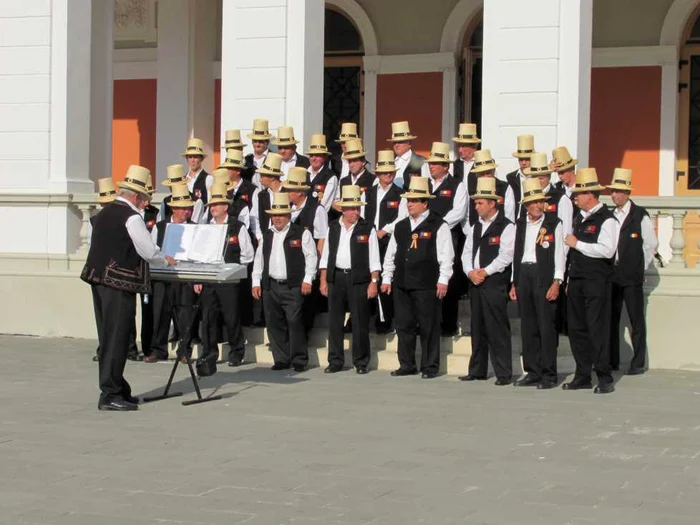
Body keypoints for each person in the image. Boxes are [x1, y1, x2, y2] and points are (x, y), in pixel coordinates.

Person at [81, 165, 176, 411]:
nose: (146, 204)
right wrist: (165, 259)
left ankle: (118, 387)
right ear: (136, 196)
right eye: (145, 199)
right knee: (118, 337)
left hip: (98, 280)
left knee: (108, 336)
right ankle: (110, 393)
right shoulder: (131, 217)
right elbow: (147, 250)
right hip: (118, 283)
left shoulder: (103, 214)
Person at [381, 177, 454, 379]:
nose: (410, 204)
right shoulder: (401, 225)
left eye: (414, 200)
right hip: (403, 282)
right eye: (408, 200)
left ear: (425, 203)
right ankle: (407, 364)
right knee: (404, 325)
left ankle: (430, 366)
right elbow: (391, 254)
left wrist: (443, 279)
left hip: (427, 283)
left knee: (428, 326)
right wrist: (387, 277)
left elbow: (446, 255)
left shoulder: (438, 224)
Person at [563, 168, 619, 394]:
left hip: (596, 281)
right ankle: (582, 374)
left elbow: (607, 251)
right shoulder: (580, 218)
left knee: (597, 328)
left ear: (591, 195)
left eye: (579, 194)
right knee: (577, 329)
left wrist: (578, 244)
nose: (576, 198)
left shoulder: (607, 220)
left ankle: (604, 377)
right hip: (577, 280)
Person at [252, 192, 317, 372]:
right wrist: (256, 282)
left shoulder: (301, 233)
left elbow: (311, 257)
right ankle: (281, 359)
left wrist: (307, 279)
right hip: (271, 285)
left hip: (293, 286)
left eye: (281, 215)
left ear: (288, 215)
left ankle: (298, 359)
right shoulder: (267, 235)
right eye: (275, 215)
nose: (277, 218)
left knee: (295, 322)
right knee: (274, 324)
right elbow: (259, 260)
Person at [510, 177, 565, 389]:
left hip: (544, 275)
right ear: (526, 205)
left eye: (540, 201)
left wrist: (556, 281)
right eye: (534, 202)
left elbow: (560, 253)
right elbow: (516, 253)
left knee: (546, 325)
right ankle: (532, 370)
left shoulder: (553, 223)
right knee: (528, 326)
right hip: (524, 273)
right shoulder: (520, 223)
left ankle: (549, 373)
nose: (538, 205)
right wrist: (514, 282)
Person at [459, 177, 515, 386]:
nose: (476, 206)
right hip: (475, 282)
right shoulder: (475, 227)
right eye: (475, 202)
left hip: (494, 283)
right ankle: (477, 370)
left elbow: (505, 255)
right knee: (478, 327)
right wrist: (470, 272)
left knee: (497, 328)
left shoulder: (506, 226)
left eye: (480, 202)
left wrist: (485, 272)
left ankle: (503, 373)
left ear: (493, 203)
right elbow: (466, 253)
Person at [320, 185, 381, 374]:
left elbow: (374, 258)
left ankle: (361, 361)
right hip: (336, 277)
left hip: (359, 279)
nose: (356, 211)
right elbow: (326, 255)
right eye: (352, 208)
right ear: (343, 209)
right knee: (335, 322)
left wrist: (374, 281)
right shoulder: (333, 227)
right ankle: (335, 360)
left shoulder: (367, 228)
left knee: (360, 322)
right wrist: (323, 279)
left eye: (358, 208)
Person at [195, 183, 255, 371]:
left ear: (226, 207)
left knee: (231, 317)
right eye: (211, 205)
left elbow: (248, 254)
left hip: (229, 280)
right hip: (210, 278)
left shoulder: (238, 226)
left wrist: (234, 270)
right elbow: (198, 255)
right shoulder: (205, 227)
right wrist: (198, 278)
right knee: (209, 318)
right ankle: (209, 353)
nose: (213, 208)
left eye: (217, 204)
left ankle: (236, 352)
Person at [607, 168, 658, 375]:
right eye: (612, 191)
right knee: (612, 318)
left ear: (627, 193)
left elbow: (651, 244)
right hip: (613, 274)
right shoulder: (610, 215)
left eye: (618, 191)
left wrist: (640, 267)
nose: (614, 195)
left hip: (632, 275)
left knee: (636, 319)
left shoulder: (640, 215)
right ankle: (612, 361)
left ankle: (637, 362)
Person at [146, 183, 197, 363]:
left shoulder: (195, 227)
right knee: (160, 312)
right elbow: (152, 249)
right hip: (163, 274)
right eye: (183, 209)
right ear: (174, 208)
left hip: (184, 275)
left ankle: (184, 350)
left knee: (184, 314)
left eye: (188, 209)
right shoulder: (159, 227)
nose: (186, 212)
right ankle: (158, 349)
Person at [425, 141, 468, 337]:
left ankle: (448, 324)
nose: (431, 166)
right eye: (430, 163)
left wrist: (439, 226)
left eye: (435, 163)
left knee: (448, 278)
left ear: (445, 166)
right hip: (426, 238)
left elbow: (459, 211)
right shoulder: (424, 184)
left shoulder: (456, 185)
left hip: (448, 235)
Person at [363, 150, 406, 334]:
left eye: (391, 172)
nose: (389, 175)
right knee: (370, 277)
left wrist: (384, 230)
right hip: (370, 239)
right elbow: (363, 215)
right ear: (378, 173)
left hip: (389, 239)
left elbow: (401, 218)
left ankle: (387, 319)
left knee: (387, 278)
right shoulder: (369, 192)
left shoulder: (400, 194)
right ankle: (372, 316)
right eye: (385, 172)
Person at [283, 167, 328, 336]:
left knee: (305, 306)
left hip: (308, 262)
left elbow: (322, 237)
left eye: (291, 189)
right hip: (291, 263)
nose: (287, 192)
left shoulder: (316, 209)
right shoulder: (288, 208)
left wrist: (316, 263)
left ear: (301, 191)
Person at [89, 177, 117, 362]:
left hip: (109, 272)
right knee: (102, 314)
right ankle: (104, 346)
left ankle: (109, 347)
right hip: (99, 272)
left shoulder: (114, 220)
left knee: (110, 314)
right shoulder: (96, 220)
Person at [524, 152, 573, 237]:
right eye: (534, 178)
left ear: (549, 177)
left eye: (541, 178)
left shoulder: (561, 199)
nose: (537, 182)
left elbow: (566, 233)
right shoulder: (527, 198)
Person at [467, 149, 515, 225]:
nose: (486, 176)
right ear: (477, 175)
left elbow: (510, 214)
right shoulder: (473, 189)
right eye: (482, 173)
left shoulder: (504, 187)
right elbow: (470, 215)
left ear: (493, 170)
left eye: (488, 172)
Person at [332, 138, 375, 215]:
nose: (351, 165)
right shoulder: (344, 181)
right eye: (349, 161)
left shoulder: (372, 180)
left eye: (355, 161)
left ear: (363, 162)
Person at [250, 152, 284, 240]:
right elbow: (254, 217)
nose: (260, 179)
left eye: (262, 176)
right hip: (266, 237)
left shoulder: (286, 192)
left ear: (272, 177)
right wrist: (260, 237)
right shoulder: (261, 195)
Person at [387, 121, 428, 189]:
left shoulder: (420, 161)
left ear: (409, 143)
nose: (397, 145)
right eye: (394, 142)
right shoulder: (391, 161)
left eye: (400, 142)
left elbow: (427, 184)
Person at [305, 133, 338, 214]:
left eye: (317, 155)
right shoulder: (303, 174)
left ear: (325, 157)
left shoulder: (331, 177)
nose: (314, 158)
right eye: (311, 155)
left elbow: (324, 206)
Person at [506, 134, 535, 221]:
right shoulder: (511, 177)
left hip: (532, 219)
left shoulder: (537, 177)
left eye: (527, 159)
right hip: (514, 219)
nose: (524, 163)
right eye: (521, 159)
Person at [182, 138, 213, 205]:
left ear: (201, 159)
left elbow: (210, 203)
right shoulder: (183, 180)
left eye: (195, 157)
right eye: (190, 157)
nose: (192, 160)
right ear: (187, 159)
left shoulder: (208, 179)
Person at [246, 118, 273, 189]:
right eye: (255, 141)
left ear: (267, 142)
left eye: (260, 141)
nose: (257, 144)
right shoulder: (247, 159)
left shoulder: (273, 158)